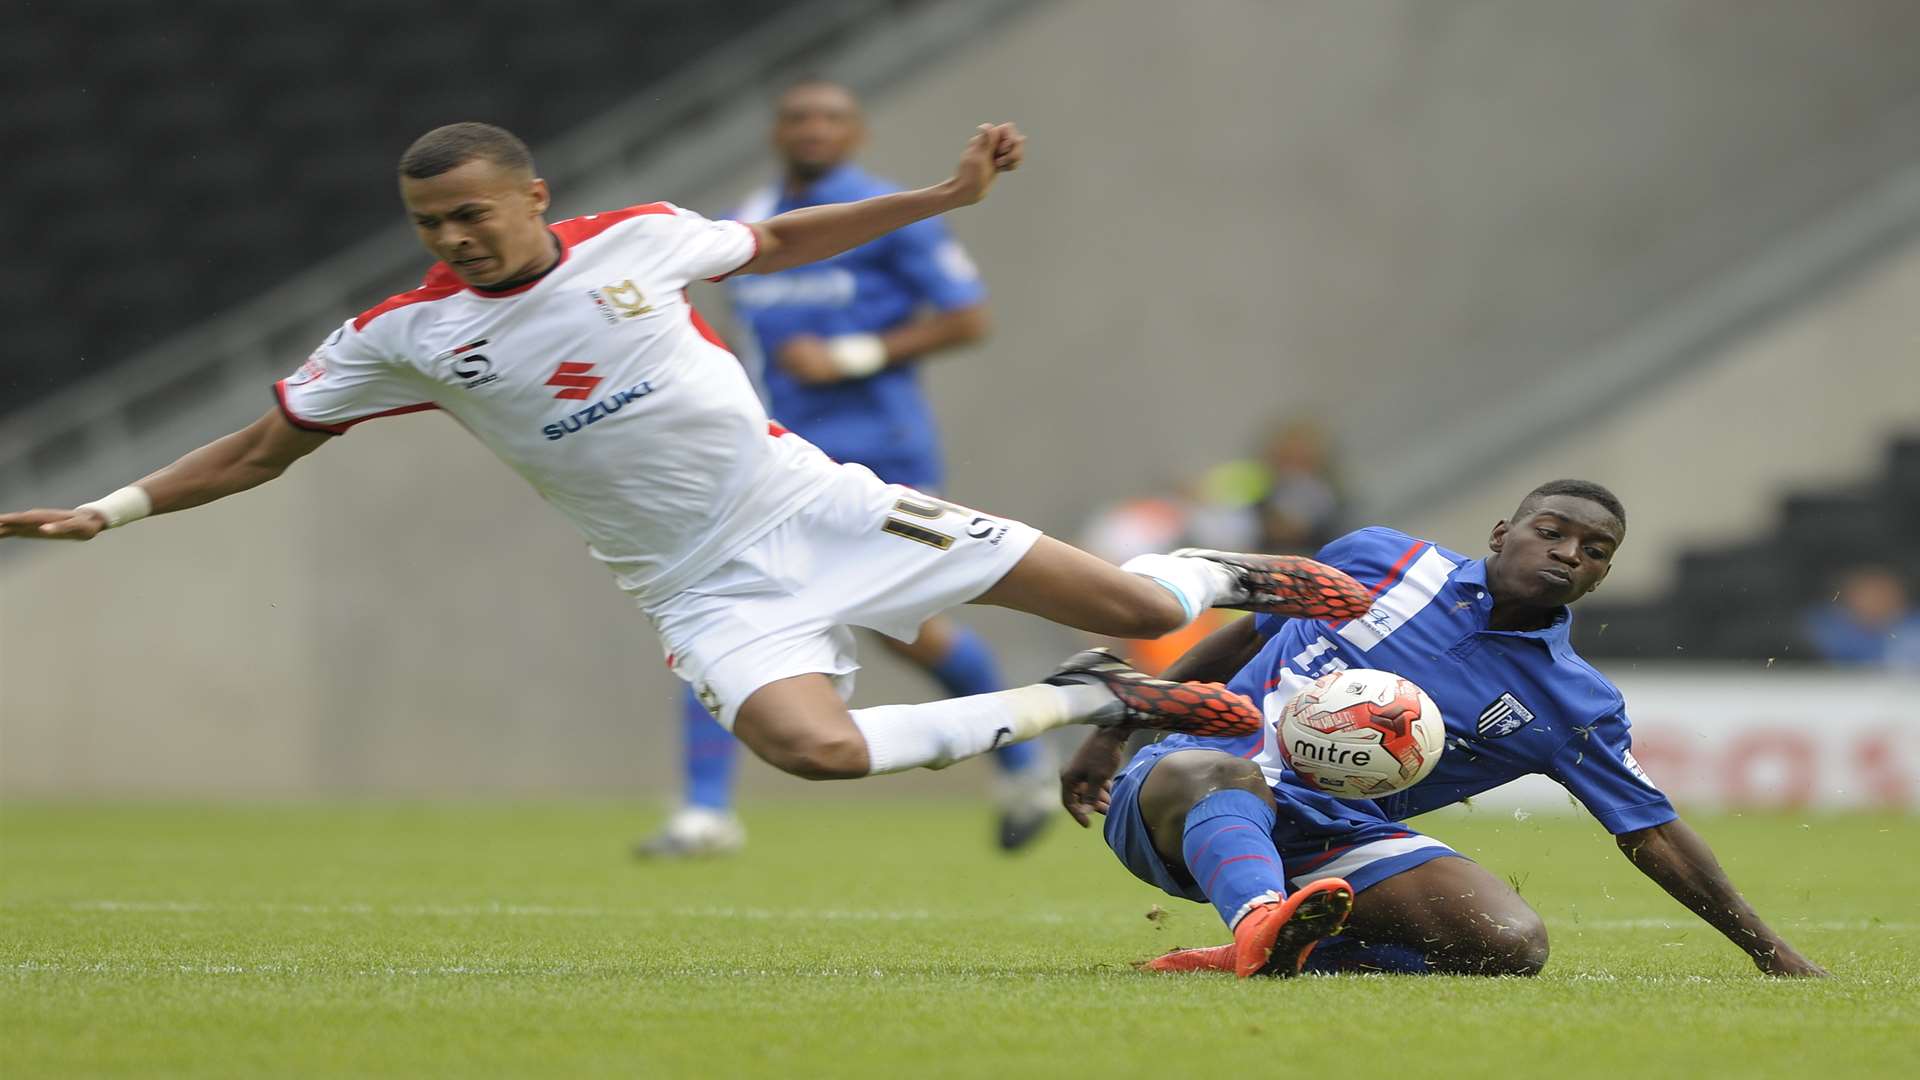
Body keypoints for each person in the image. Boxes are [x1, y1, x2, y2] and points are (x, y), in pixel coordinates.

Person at [1, 121, 1378, 797]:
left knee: (1149, 610)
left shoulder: (639, 239)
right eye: (433, 223)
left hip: (826, 509)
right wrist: (110, 511)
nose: (457, 239)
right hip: (697, 587)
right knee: (815, 753)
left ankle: (1218, 575)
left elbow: (776, 244)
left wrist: (944, 199)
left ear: (533, 197)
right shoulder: (400, 338)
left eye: (475, 213)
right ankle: (1089, 708)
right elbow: (263, 448)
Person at [1060, 480, 1828, 979]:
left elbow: (1652, 831)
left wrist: (1773, 953)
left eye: (1595, 553)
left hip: (1331, 835)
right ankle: (1260, 920)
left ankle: (1277, 947)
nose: (1569, 554)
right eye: (1552, 532)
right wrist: (1121, 724)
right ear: (1502, 533)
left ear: (1602, 578)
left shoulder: (1571, 703)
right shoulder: (1380, 559)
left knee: (1508, 942)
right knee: (1221, 774)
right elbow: (1247, 636)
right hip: (1186, 785)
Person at [640, 80, 1051, 858]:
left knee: (910, 630)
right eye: (799, 117)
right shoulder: (763, 218)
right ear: (776, 132)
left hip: (879, 450)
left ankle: (1026, 759)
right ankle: (704, 811)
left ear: (856, 132)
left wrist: (855, 354)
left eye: (831, 118)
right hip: (773, 458)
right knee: (723, 608)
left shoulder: (884, 214)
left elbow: (970, 316)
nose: (814, 129)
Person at [1802, 564, 1920, 670]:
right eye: (1867, 594)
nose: (1874, 601)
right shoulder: (1825, 629)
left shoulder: (1914, 628)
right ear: (1848, 596)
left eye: (1881, 593)